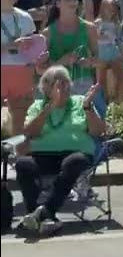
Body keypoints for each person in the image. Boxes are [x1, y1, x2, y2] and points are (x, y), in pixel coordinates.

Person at [15, 68, 105, 237]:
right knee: (23, 164)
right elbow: (31, 132)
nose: (62, 86)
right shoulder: (38, 106)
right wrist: (50, 107)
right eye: (56, 82)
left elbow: (98, 131)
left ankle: (44, 213)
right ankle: (37, 213)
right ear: (45, 87)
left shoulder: (81, 102)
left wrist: (87, 107)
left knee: (74, 161)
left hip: (75, 154)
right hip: (43, 155)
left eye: (65, 82)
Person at [38, 0, 101, 108]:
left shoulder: (90, 28)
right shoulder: (47, 33)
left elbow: (100, 59)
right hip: (56, 85)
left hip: (83, 82)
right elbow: (40, 70)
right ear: (58, 4)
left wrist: (90, 62)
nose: (72, 2)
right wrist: (62, 62)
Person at [2, 0, 39, 131]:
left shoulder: (25, 17)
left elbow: (34, 46)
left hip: (22, 71)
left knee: (20, 119)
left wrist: (37, 54)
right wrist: (10, 46)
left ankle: (16, 154)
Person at [92, 0, 123, 103]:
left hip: (113, 52)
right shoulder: (97, 23)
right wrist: (105, 37)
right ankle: (105, 103)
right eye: (107, 7)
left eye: (112, 7)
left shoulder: (116, 24)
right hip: (101, 54)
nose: (110, 10)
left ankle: (118, 101)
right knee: (101, 82)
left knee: (122, 77)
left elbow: (120, 39)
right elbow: (93, 37)